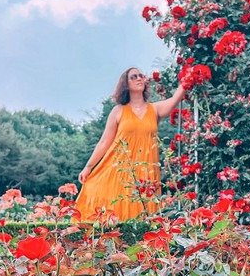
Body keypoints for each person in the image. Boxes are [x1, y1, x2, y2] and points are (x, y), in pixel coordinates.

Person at [75, 66, 186, 222]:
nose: (140, 78)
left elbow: (175, 99)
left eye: (141, 75)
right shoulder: (118, 111)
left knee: (144, 214)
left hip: (146, 172)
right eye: (134, 76)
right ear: (125, 84)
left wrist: (189, 77)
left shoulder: (154, 109)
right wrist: (88, 167)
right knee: (116, 207)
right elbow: (104, 142)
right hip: (121, 170)